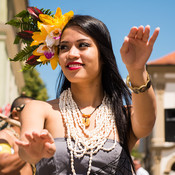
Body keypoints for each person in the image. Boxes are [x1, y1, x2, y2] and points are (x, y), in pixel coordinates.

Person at [11, 6, 159, 175]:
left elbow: (147, 124)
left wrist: (137, 69)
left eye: (82, 45)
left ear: (103, 55)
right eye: (64, 47)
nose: (71, 54)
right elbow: (25, 149)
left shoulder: (125, 117)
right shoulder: (39, 109)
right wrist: (32, 152)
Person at [0, 95, 34, 175]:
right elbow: (3, 167)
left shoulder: (25, 139)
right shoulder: (4, 136)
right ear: (15, 115)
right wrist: (32, 149)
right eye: (32, 111)